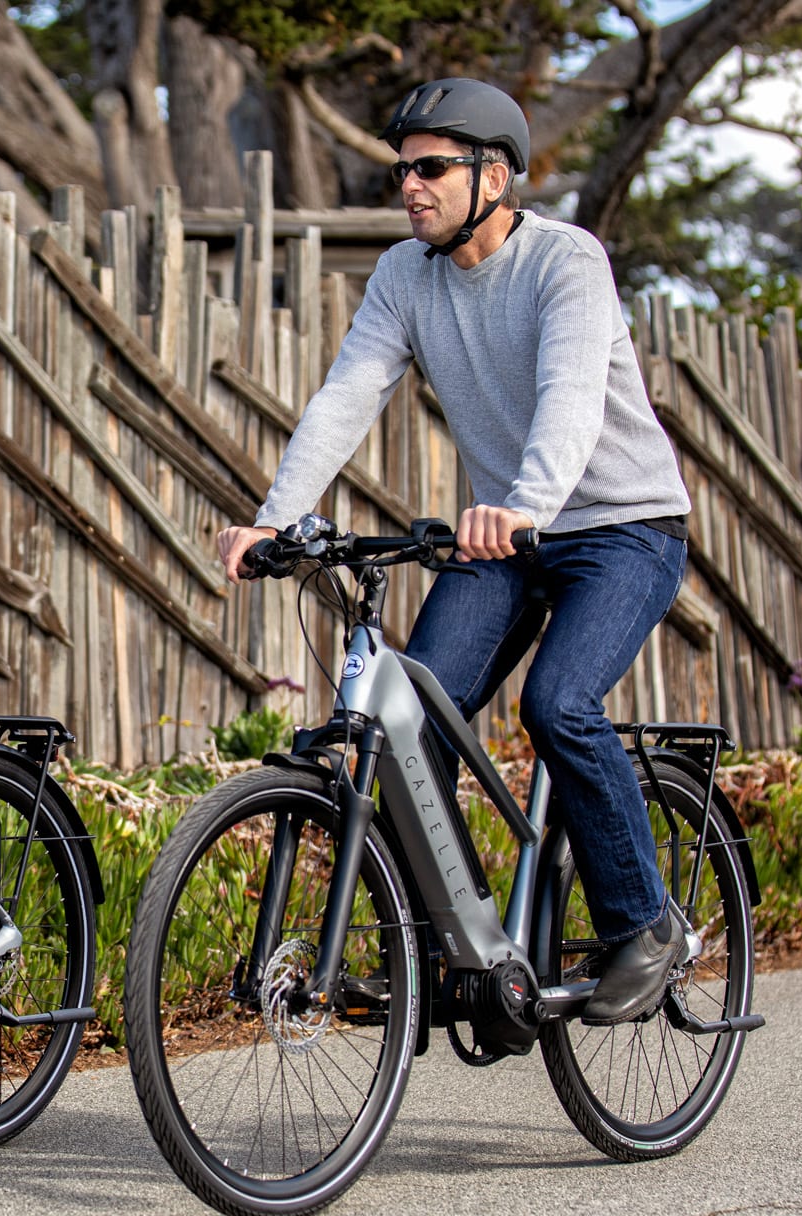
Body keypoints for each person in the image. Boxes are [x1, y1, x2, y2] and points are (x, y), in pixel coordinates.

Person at [214, 78, 693, 1025]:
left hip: (622, 526)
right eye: (402, 171)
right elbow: (349, 393)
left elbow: (569, 398)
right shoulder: (406, 275)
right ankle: (452, 944)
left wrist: (524, 505)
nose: (411, 187)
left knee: (557, 703)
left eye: (431, 168)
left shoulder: (568, 262)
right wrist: (276, 518)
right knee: (403, 727)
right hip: (509, 536)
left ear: (497, 174)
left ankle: (646, 924)